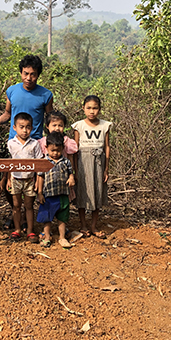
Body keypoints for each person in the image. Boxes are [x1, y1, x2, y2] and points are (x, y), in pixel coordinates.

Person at [72, 95, 111, 239]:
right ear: (83, 109)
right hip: (83, 162)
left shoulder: (105, 125)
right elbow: (75, 149)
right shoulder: (78, 126)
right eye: (88, 108)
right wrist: (74, 169)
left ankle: (94, 226)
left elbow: (107, 146)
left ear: (99, 109)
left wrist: (106, 168)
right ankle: (83, 224)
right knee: (83, 192)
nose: (92, 111)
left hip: (99, 163)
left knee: (98, 192)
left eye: (95, 108)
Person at [7, 112, 43, 243]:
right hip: (15, 179)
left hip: (29, 180)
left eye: (28, 127)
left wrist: (38, 182)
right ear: (14, 127)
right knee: (16, 206)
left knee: (29, 206)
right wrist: (7, 179)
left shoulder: (34, 144)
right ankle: (17, 229)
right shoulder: (11, 143)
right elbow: (8, 163)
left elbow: (39, 164)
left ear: (32, 128)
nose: (25, 130)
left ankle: (29, 230)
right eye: (21, 127)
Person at [0, 54, 54, 140]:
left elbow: (51, 119)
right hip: (14, 143)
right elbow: (7, 114)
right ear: (21, 73)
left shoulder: (46, 95)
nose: (28, 78)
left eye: (33, 74)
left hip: (35, 143)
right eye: (26, 74)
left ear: (38, 75)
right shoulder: (11, 91)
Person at [36, 132, 75, 248]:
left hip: (63, 194)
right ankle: (47, 237)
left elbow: (70, 173)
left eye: (58, 150)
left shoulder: (66, 162)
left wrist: (71, 178)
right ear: (46, 148)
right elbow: (40, 177)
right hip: (48, 194)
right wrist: (39, 193)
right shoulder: (44, 161)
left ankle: (62, 237)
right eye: (52, 150)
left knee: (62, 217)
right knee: (47, 217)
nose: (55, 153)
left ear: (62, 149)